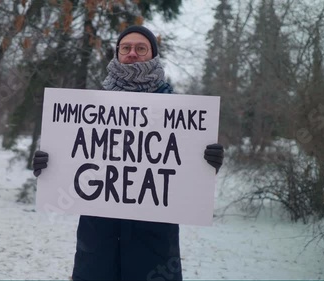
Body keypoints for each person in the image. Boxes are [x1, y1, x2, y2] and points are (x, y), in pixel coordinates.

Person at [33, 25, 224, 281]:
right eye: (126, 48)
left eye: (141, 48)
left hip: (153, 244)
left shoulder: (177, 110)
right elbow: (73, 160)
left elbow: (184, 174)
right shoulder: (91, 108)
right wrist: (48, 164)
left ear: (153, 55)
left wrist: (208, 161)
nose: (132, 53)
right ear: (117, 54)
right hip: (98, 239)